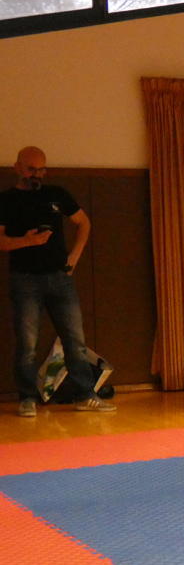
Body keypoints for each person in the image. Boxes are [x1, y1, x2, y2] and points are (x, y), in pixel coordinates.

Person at [0, 146, 117, 416]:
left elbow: (83, 223)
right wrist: (27, 241)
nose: (36, 175)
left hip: (60, 278)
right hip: (25, 280)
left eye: (41, 169)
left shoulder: (56, 194)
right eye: (31, 169)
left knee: (75, 340)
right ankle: (27, 398)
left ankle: (85, 395)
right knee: (27, 344)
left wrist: (73, 258)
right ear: (17, 168)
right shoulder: (6, 200)